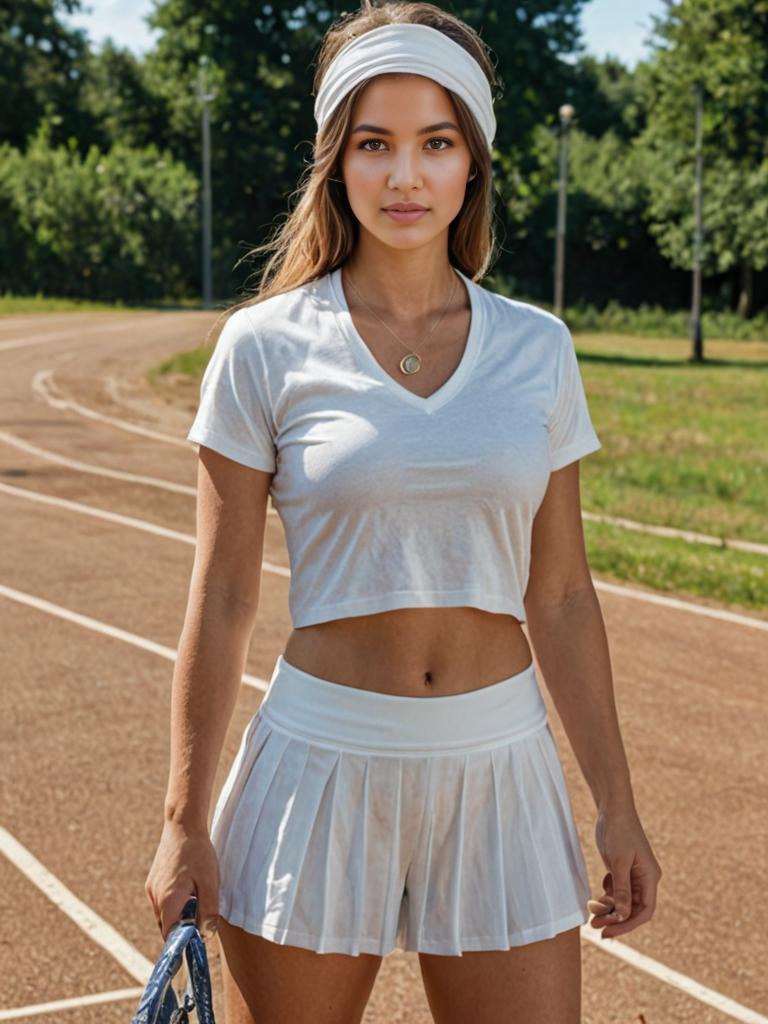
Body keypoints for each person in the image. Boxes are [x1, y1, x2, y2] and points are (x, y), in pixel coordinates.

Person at [144, 3, 663, 1022]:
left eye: (437, 142)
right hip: (317, 769)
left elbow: (559, 594)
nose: (405, 176)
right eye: (374, 144)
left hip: (501, 770)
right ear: (337, 162)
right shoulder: (264, 348)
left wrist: (619, 807)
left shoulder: (539, 349)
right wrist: (181, 819)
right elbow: (224, 596)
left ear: (473, 161)